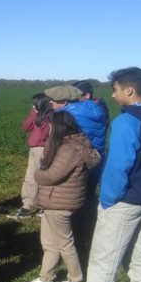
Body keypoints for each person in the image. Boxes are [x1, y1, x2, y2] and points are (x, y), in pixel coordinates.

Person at [66, 67, 141, 282]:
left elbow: (118, 166)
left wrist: (107, 199)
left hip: (124, 202)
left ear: (129, 90)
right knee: (140, 258)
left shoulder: (126, 121)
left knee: (104, 260)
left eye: (115, 90)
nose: (112, 95)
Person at [22, 111, 100, 282]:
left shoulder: (69, 150)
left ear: (58, 127)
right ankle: (45, 278)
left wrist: (37, 174)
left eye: (50, 126)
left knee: (65, 244)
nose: (48, 129)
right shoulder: (72, 144)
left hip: (59, 203)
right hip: (55, 202)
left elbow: (51, 175)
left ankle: (76, 281)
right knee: (49, 243)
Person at [44, 84, 108, 266]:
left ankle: (72, 253)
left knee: (67, 207)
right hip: (93, 163)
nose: (50, 103)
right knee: (85, 203)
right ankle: (84, 244)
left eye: (54, 101)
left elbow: (61, 145)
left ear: (64, 102)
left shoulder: (67, 116)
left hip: (73, 164)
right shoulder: (97, 109)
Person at [8, 93, 52, 220]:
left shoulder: (49, 118)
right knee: (31, 176)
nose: (33, 106)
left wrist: (38, 117)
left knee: (39, 177)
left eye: (35, 104)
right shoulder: (38, 116)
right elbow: (26, 127)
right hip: (34, 149)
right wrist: (34, 113)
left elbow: (44, 136)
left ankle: (35, 206)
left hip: (42, 149)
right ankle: (29, 204)